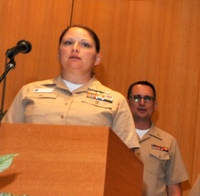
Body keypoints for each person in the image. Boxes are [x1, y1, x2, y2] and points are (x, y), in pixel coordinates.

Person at [5, 25, 139, 150]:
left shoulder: (116, 101)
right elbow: (5, 140)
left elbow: (126, 157)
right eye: (68, 43)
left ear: (97, 58)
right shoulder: (28, 92)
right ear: (58, 54)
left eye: (85, 44)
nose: (75, 48)